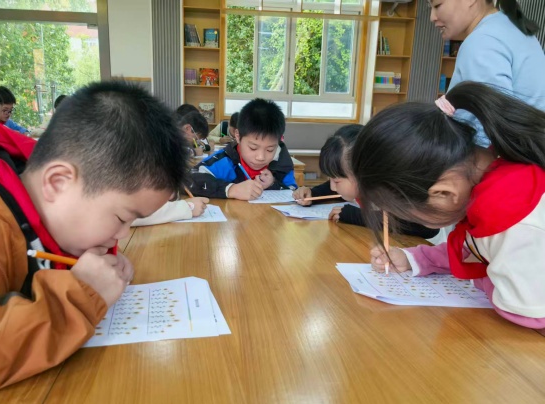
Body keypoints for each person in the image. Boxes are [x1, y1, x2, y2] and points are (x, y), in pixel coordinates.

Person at [0, 80, 189, 404]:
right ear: (57, 182)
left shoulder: (47, 214)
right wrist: (79, 296)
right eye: (122, 217)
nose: (122, 235)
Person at [350, 81, 545, 329]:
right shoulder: (494, 180)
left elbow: (528, 312)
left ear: (443, 193)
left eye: (410, 215)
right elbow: (474, 248)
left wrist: (480, 279)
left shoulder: (512, 215)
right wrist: (414, 258)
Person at [429, 0, 545, 147]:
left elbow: (488, 133)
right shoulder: (510, 27)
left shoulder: (481, 41)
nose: (432, 17)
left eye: (437, 5)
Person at [292, 125, 439, 240]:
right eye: (330, 178)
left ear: (362, 172)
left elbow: (427, 227)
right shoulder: (362, 180)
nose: (332, 186)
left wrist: (360, 216)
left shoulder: (392, 186)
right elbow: (334, 188)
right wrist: (313, 194)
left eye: (336, 181)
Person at [189, 98, 296, 200]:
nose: (261, 157)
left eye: (270, 150)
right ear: (238, 136)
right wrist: (231, 189)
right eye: (253, 148)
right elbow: (188, 180)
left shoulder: (281, 163)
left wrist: (273, 184)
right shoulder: (225, 161)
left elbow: (292, 191)